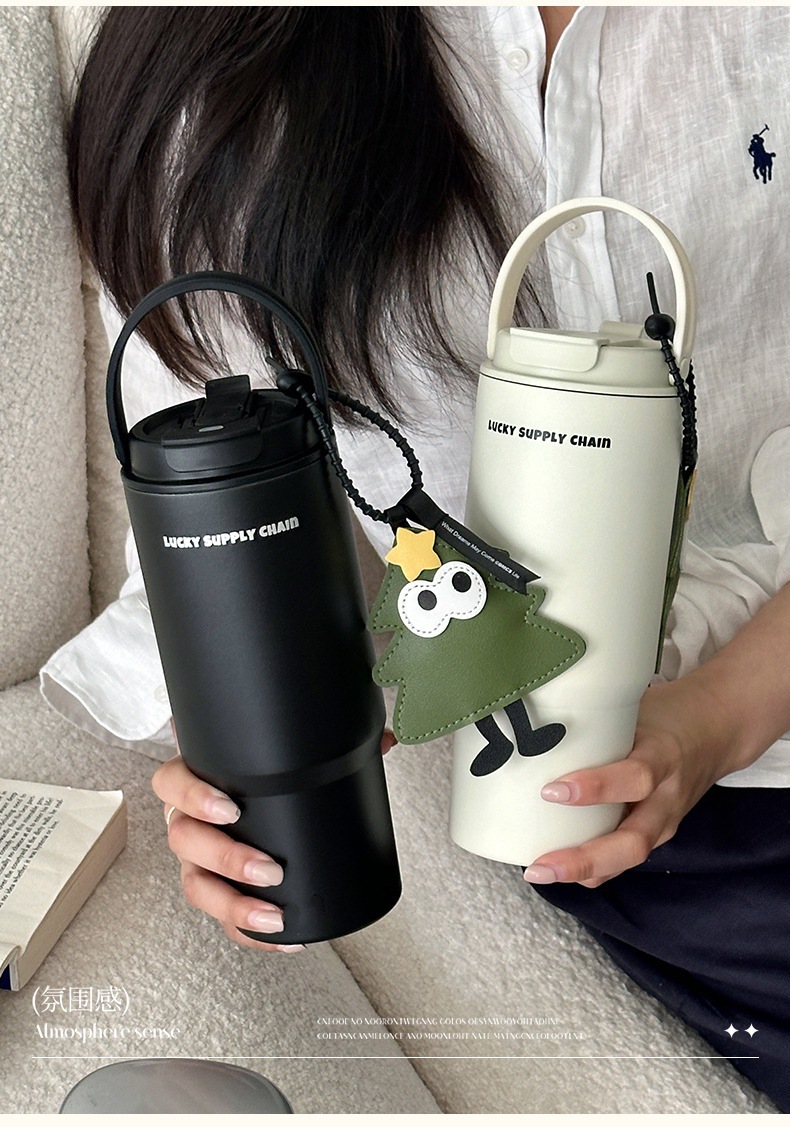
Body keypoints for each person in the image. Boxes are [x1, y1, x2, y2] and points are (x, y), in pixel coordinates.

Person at [44, 6, 790, 1110]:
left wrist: (726, 710)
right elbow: (222, 530)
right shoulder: (216, 85)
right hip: (604, 818)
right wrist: (250, 751)